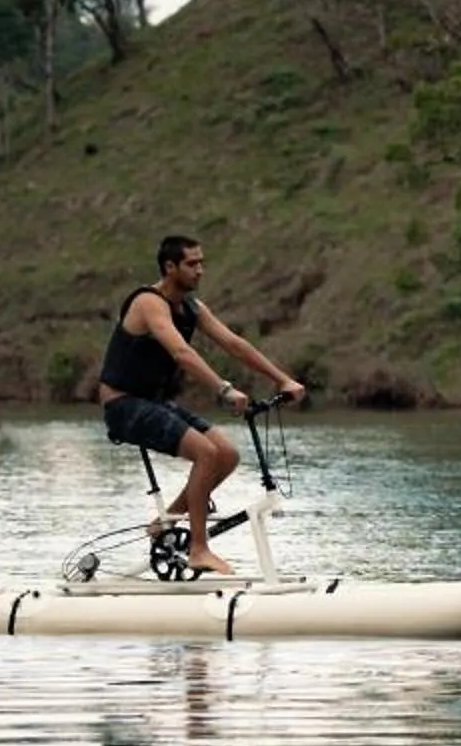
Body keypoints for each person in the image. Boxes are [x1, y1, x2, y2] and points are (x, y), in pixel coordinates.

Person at [91, 235, 305, 575]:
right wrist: (223, 389)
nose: (200, 270)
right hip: (123, 405)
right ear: (169, 267)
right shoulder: (149, 302)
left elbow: (235, 344)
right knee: (206, 453)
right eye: (192, 263)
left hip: (155, 402)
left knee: (227, 454)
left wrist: (282, 379)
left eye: (202, 262)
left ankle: (165, 524)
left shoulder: (192, 308)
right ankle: (198, 549)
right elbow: (181, 353)